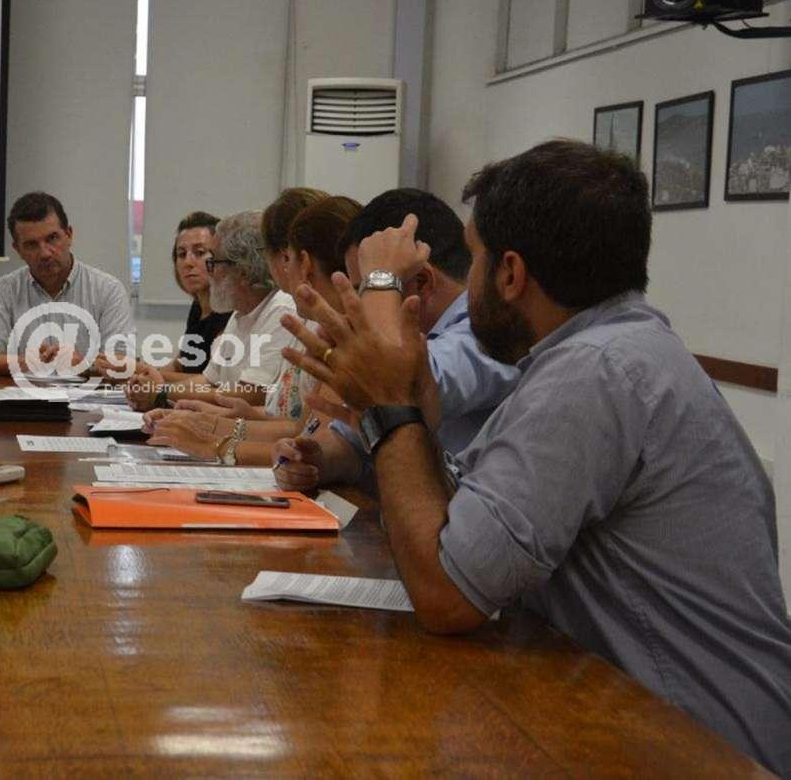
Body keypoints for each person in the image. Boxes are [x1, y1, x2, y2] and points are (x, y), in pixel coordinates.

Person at [281, 140, 791, 773]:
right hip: (642, 724)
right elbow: (461, 520)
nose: (465, 283)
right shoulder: (600, 354)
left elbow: (446, 594)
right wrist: (409, 413)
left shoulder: (595, 372)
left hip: (700, 748)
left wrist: (390, 404)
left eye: (473, 258)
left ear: (511, 274)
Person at [272, 189, 519, 492]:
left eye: (366, 291)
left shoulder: (486, 334)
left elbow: (399, 386)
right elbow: (353, 443)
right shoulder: (421, 336)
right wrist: (316, 458)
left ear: (423, 282)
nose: (360, 307)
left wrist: (380, 280)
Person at [145, 196, 359, 465]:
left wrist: (214, 441)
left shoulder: (297, 316)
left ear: (299, 262)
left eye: (210, 261)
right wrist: (209, 422)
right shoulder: (301, 320)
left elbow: (310, 442)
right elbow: (299, 429)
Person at [126, 209, 295, 411]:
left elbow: (251, 394)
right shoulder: (239, 313)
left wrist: (162, 392)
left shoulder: (281, 310)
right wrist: (155, 389)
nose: (209, 271)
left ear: (243, 270)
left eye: (213, 262)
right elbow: (207, 380)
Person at [0, 191, 135, 377]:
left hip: (86, 395)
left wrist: (82, 365)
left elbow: (124, 363)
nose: (45, 253)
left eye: (52, 238)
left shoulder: (107, 290)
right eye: (32, 244)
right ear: (18, 249)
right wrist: (28, 362)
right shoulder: (4, 290)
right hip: (23, 394)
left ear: (69, 235)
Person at [163, 211, 230, 374]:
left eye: (199, 252)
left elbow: (211, 381)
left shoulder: (231, 312)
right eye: (181, 254)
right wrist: (139, 374)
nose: (188, 262)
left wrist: (152, 379)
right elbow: (182, 363)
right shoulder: (198, 307)